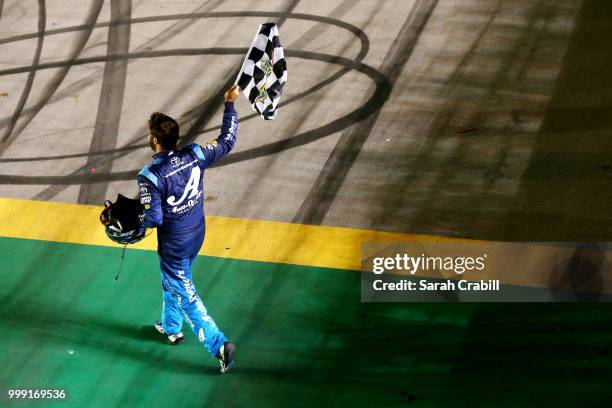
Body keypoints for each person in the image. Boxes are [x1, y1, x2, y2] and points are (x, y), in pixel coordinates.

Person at [136, 85, 240, 374]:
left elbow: (154, 219)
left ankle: (219, 345)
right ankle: (171, 327)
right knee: (174, 279)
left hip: (174, 243)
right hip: (197, 233)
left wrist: (139, 222)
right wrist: (230, 104)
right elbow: (227, 141)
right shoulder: (195, 154)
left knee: (186, 293)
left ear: (155, 140)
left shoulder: (150, 175)